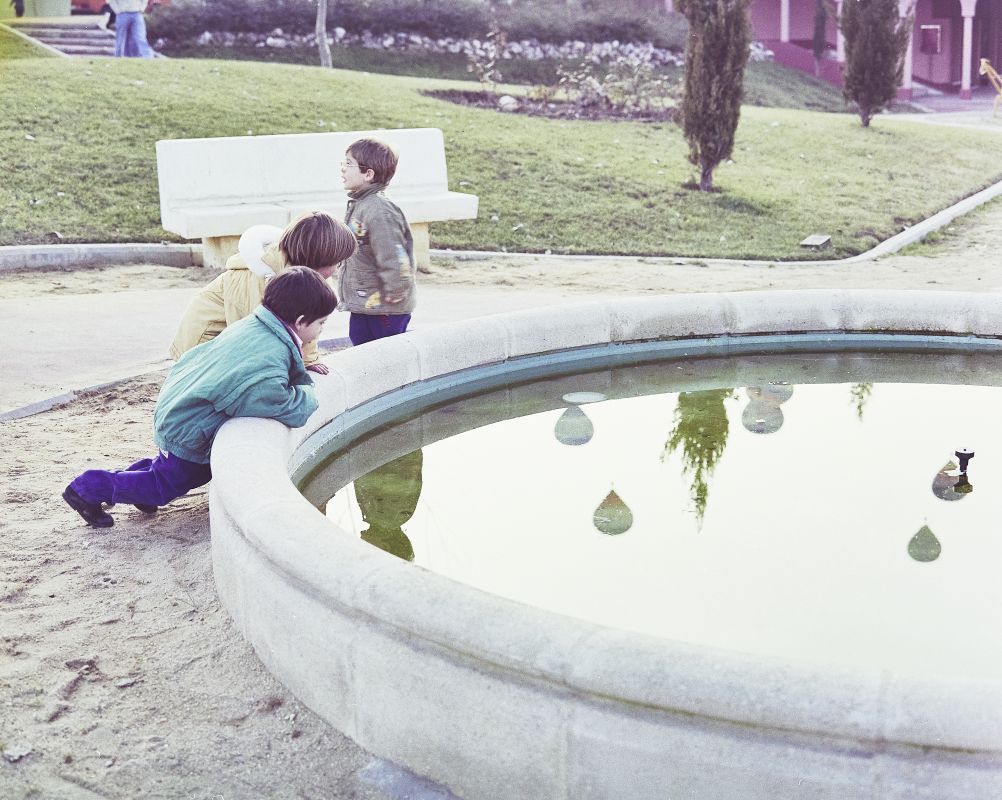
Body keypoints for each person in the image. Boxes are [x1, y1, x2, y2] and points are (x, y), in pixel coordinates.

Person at [62, 268, 336, 528]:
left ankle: (136, 490)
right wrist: (308, 390)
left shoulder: (257, 328)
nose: (322, 329)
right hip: (189, 425)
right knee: (165, 486)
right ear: (300, 322)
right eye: (322, 323)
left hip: (185, 409)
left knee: (181, 471)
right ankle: (86, 489)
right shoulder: (270, 355)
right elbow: (286, 406)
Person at [170, 211, 356, 375]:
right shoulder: (257, 280)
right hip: (204, 344)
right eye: (336, 263)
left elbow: (308, 322)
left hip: (228, 345)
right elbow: (249, 333)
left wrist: (308, 361)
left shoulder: (307, 276)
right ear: (317, 259)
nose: (338, 269)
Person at [338, 138, 417, 346]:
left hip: (385, 308)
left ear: (368, 174)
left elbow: (393, 254)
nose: (343, 169)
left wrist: (396, 290)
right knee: (362, 351)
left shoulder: (379, 210)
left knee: (386, 358)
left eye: (348, 163)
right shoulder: (361, 204)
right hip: (365, 304)